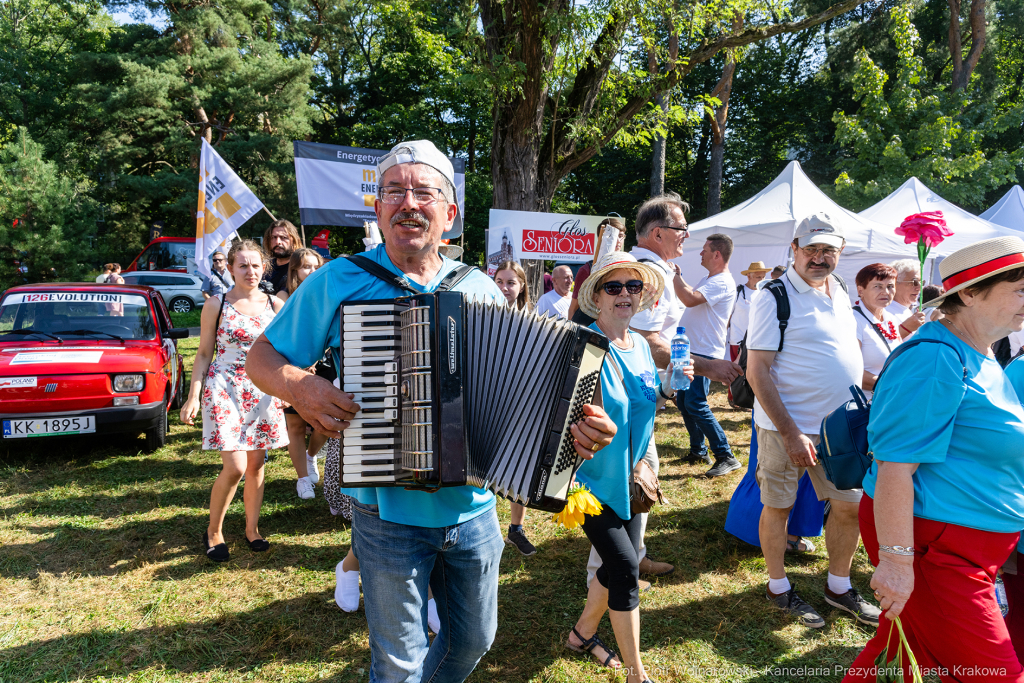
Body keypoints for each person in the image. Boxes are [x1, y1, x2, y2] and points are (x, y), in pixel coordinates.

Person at [245, 139, 617, 683]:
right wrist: (301, 387)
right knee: (398, 664)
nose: (408, 201)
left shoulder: (481, 287)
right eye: (393, 190)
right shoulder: (341, 278)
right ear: (378, 210)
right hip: (385, 515)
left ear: (450, 213)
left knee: (473, 640)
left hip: (476, 509)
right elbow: (262, 356)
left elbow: (526, 384)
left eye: (424, 191)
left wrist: (579, 432)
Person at [843, 236, 1024, 683]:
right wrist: (899, 562)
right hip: (935, 547)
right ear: (968, 293)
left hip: (959, 544)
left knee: (905, 653)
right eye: (1020, 289)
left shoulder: (978, 351)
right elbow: (895, 466)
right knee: (996, 675)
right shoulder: (935, 358)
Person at [745, 213, 880, 628]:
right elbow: (757, 370)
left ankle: (838, 586)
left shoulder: (839, 288)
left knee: (849, 508)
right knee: (778, 508)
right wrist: (790, 432)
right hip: (786, 428)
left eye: (829, 250)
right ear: (795, 250)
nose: (819, 258)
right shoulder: (773, 295)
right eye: (812, 249)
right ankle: (777, 585)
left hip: (840, 430)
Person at [568, 251, 692, 683]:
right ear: (596, 298)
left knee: (615, 561)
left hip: (628, 478)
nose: (624, 294)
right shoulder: (582, 346)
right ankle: (637, 674)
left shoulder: (639, 344)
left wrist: (671, 385)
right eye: (613, 287)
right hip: (589, 482)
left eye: (633, 287)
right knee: (624, 567)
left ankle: (582, 633)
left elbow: (645, 400)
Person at [180, 239, 288, 563]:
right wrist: (193, 396)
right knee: (236, 465)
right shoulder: (217, 304)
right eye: (242, 265)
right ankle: (213, 531)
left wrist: (288, 387)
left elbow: (285, 352)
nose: (250, 271)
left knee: (256, 463)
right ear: (229, 269)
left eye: (256, 265)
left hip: (263, 388)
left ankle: (251, 529)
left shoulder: (275, 305)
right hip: (224, 386)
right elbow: (202, 354)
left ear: (264, 267)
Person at [673, 234, 739, 478]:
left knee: (695, 403)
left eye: (704, 250)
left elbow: (690, 299)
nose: (700, 254)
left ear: (717, 254)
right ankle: (698, 450)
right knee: (684, 402)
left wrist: (674, 276)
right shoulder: (712, 278)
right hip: (692, 348)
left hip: (703, 351)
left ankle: (725, 455)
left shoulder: (721, 281)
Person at [491, 260, 538, 556]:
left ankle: (515, 529)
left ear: (521, 287)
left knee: (517, 466)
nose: (505, 288)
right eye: (499, 281)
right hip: (487, 400)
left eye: (511, 282)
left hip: (520, 401)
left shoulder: (534, 321)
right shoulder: (480, 314)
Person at [277, 248, 328, 499]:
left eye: (316, 266)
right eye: (307, 266)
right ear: (295, 270)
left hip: (324, 364)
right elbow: (282, 336)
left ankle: (311, 455)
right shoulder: (284, 297)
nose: (312, 271)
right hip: (293, 364)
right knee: (295, 425)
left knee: (328, 421)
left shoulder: (328, 294)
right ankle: (302, 479)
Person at [852, 263, 901, 400]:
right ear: (860, 290)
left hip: (889, 400)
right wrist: (894, 385)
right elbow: (852, 371)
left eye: (890, 286)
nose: (885, 292)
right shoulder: (853, 320)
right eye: (877, 286)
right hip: (865, 405)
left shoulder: (890, 318)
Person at [568, 217, 626, 324]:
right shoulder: (586, 270)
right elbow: (574, 308)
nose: (617, 240)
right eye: (612, 235)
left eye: (621, 236)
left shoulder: (627, 267)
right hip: (590, 330)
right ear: (601, 237)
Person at [886, 258, 927, 339]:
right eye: (914, 282)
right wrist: (906, 328)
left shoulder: (905, 310)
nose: (919, 288)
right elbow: (883, 343)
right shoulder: (884, 311)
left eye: (921, 282)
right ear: (895, 283)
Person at [262, 219, 303, 294]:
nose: (278, 242)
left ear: (294, 241)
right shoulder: (263, 268)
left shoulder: (301, 268)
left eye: (284, 237)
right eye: (274, 237)